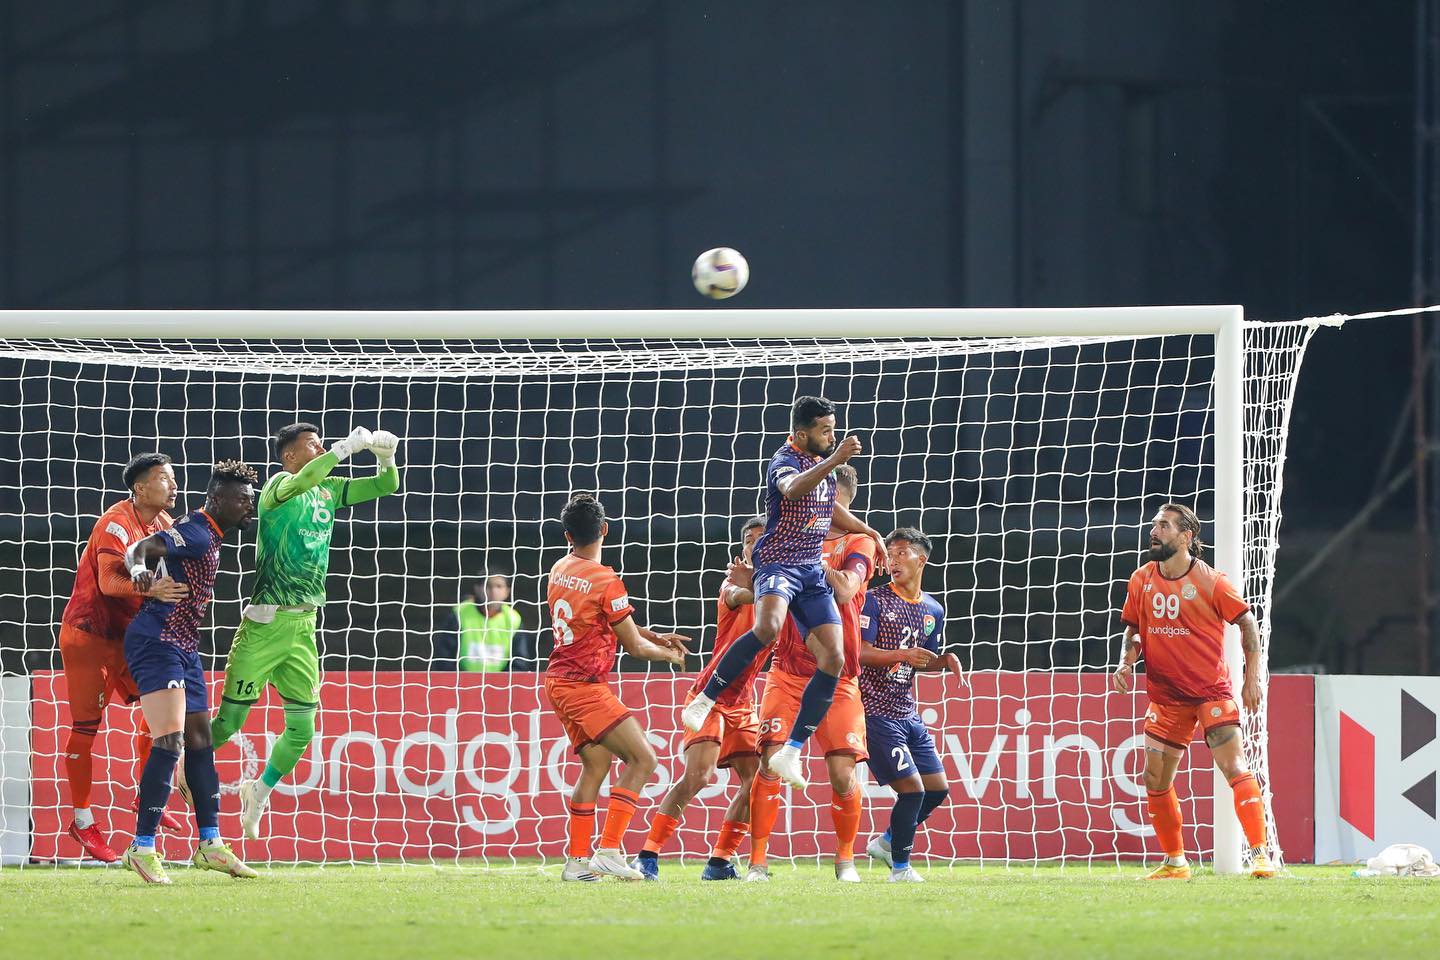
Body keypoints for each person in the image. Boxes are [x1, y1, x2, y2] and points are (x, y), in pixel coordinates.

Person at [209, 422, 401, 840]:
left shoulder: (328, 489)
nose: (321, 448)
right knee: (228, 723)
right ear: (290, 456)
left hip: (304, 625)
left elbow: (386, 486)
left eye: (322, 442)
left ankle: (258, 791)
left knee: (303, 731)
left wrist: (386, 459)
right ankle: (176, 766)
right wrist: (343, 450)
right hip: (265, 624)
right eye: (312, 444)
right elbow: (307, 477)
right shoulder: (278, 486)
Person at [683, 396, 884, 791]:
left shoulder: (824, 467)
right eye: (825, 431)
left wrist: (868, 530)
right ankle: (705, 698)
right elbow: (792, 491)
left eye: (834, 430)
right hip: (778, 564)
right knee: (768, 628)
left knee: (834, 657)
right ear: (803, 434)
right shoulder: (785, 460)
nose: (832, 437)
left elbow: (830, 509)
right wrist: (835, 459)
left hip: (809, 571)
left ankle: (791, 751)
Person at [1112, 503, 1276, 880]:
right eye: (1154, 525)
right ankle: (1175, 862)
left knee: (1234, 766)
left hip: (1210, 693)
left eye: (1164, 526)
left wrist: (1252, 677)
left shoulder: (1211, 581)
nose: (1154, 531)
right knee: (1154, 778)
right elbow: (1134, 630)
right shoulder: (1141, 579)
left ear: (1186, 536)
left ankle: (1260, 855)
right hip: (1167, 697)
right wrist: (1126, 662)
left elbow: (1247, 623)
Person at [120, 460, 260, 884]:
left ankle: (210, 844)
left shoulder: (210, 534)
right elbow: (137, 549)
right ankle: (142, 846)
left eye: (251, 500)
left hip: (184, 647)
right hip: (156, 641)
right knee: (169, 740)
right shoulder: (197, 531)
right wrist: (140, 571)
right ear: (218, 498)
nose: (249, 507)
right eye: (242, 500)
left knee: (201, 740)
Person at [633, 515, 788, 882]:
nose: (755, 544)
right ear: (742, 549)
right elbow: (742, 595)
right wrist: (759, 581)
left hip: (743, 703)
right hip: (709, 696)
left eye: (762, 537)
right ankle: (647, 855)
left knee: (759, 781)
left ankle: (719, 862)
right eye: (749, 539)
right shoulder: (732, 585)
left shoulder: (779, 590)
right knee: (698, 776)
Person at [544, 494, 689, 881]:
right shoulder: (606, 580)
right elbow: (634, 648)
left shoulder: (559, 568)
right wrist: (667, 654)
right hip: (584, 686)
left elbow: (606, 619)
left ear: (567, 536)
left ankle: (576, 864)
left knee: (596, 766)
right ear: (605, 530)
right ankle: (609, 850)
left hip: (558, 681)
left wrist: (652, 634)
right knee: (644, 760)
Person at [745, 464, 876, 883]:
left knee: (842, 774)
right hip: (788, 672)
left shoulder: (860, 542)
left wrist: (811, 564)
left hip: (839, 678)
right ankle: (757, 864)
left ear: (835, 498)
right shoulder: (793, 536)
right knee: (770, 762)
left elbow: (846, 589)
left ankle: (845, 861)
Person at [57, 451, 189, 861]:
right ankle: (82, 822)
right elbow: (109, 583)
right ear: (140, 487)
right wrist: (152, 589)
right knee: (86, 728)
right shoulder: (115, 523)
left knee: (160, 711)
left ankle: (145, 796)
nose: (174, 485)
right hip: (89, 636)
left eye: (173, 478)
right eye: (165, 478)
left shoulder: (164, 524)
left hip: (131, 638)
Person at [858, 527, 962, 883]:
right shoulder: (874, 600)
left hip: (907, 711)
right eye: (889, 554)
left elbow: (922, 659)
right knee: (912, 791)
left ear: (922, 559)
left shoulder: (933, 609)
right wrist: (902, 654)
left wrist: (943, 660)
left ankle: (888, 842)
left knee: (937, 789)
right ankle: (900, 868)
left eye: (902, 552)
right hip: (874, 710)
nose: (893, 559)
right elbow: (859, 652)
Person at [450, 574, 525, 672]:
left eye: (499, 586)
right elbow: (445, 656)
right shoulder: (460, 613)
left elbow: (519, 662)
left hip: (502, 681)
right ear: (477, 589)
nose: (493, 591)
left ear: (507, 591)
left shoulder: (513, 619)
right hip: (460, 680)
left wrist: (500, 680)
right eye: (488, 585)